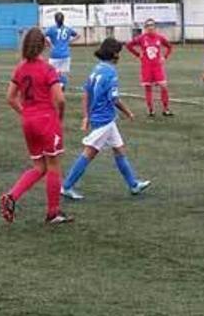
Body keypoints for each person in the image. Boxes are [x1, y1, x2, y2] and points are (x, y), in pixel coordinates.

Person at [61, 37, 152, 201]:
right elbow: (114, 99)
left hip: (103, 117)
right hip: (104, 119)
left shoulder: (96, 69)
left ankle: (133, 184)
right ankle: (66, 186)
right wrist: (128, 112)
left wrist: (86, 115)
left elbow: (86, 93)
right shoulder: (110, 72)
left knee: (119, 149)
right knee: (89, 153)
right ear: (114, 54)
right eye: (119, 53)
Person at [0, 27, 73, 225]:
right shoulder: (47, 69)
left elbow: (10, 98)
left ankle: (12, 196)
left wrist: (26, 113)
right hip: (47, 120)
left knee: (39, 166)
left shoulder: (20, 68)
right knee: (53, 165)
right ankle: (53, 212)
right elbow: (60, 99)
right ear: (44, 45)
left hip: (29, 122)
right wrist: (60, 118)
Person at [126, 18, 174, 116]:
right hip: (146, 67)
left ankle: (166, 109)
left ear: (155, 27)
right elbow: (129, 45)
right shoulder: (141, 38)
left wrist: (164, 57)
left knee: (164, 87)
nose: (150, 28)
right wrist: (138, 54)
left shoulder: (159, 38)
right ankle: (150, 109)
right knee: (148, 88)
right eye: (148, 26)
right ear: (145, 28)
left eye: (152, 25)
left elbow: (169, 47)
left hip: (157, 67)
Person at [44, 12, 79, 89]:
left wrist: (49, 43)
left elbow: (43, 36)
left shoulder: (52, 29)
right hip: (65, 54)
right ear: (63, 19)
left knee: (52, 72)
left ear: (55, 20)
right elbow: (78, 35)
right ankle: (62, 87)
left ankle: (55, 88)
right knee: (63, 73)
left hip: (54, 54)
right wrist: (69, 42)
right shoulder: (68, 29)